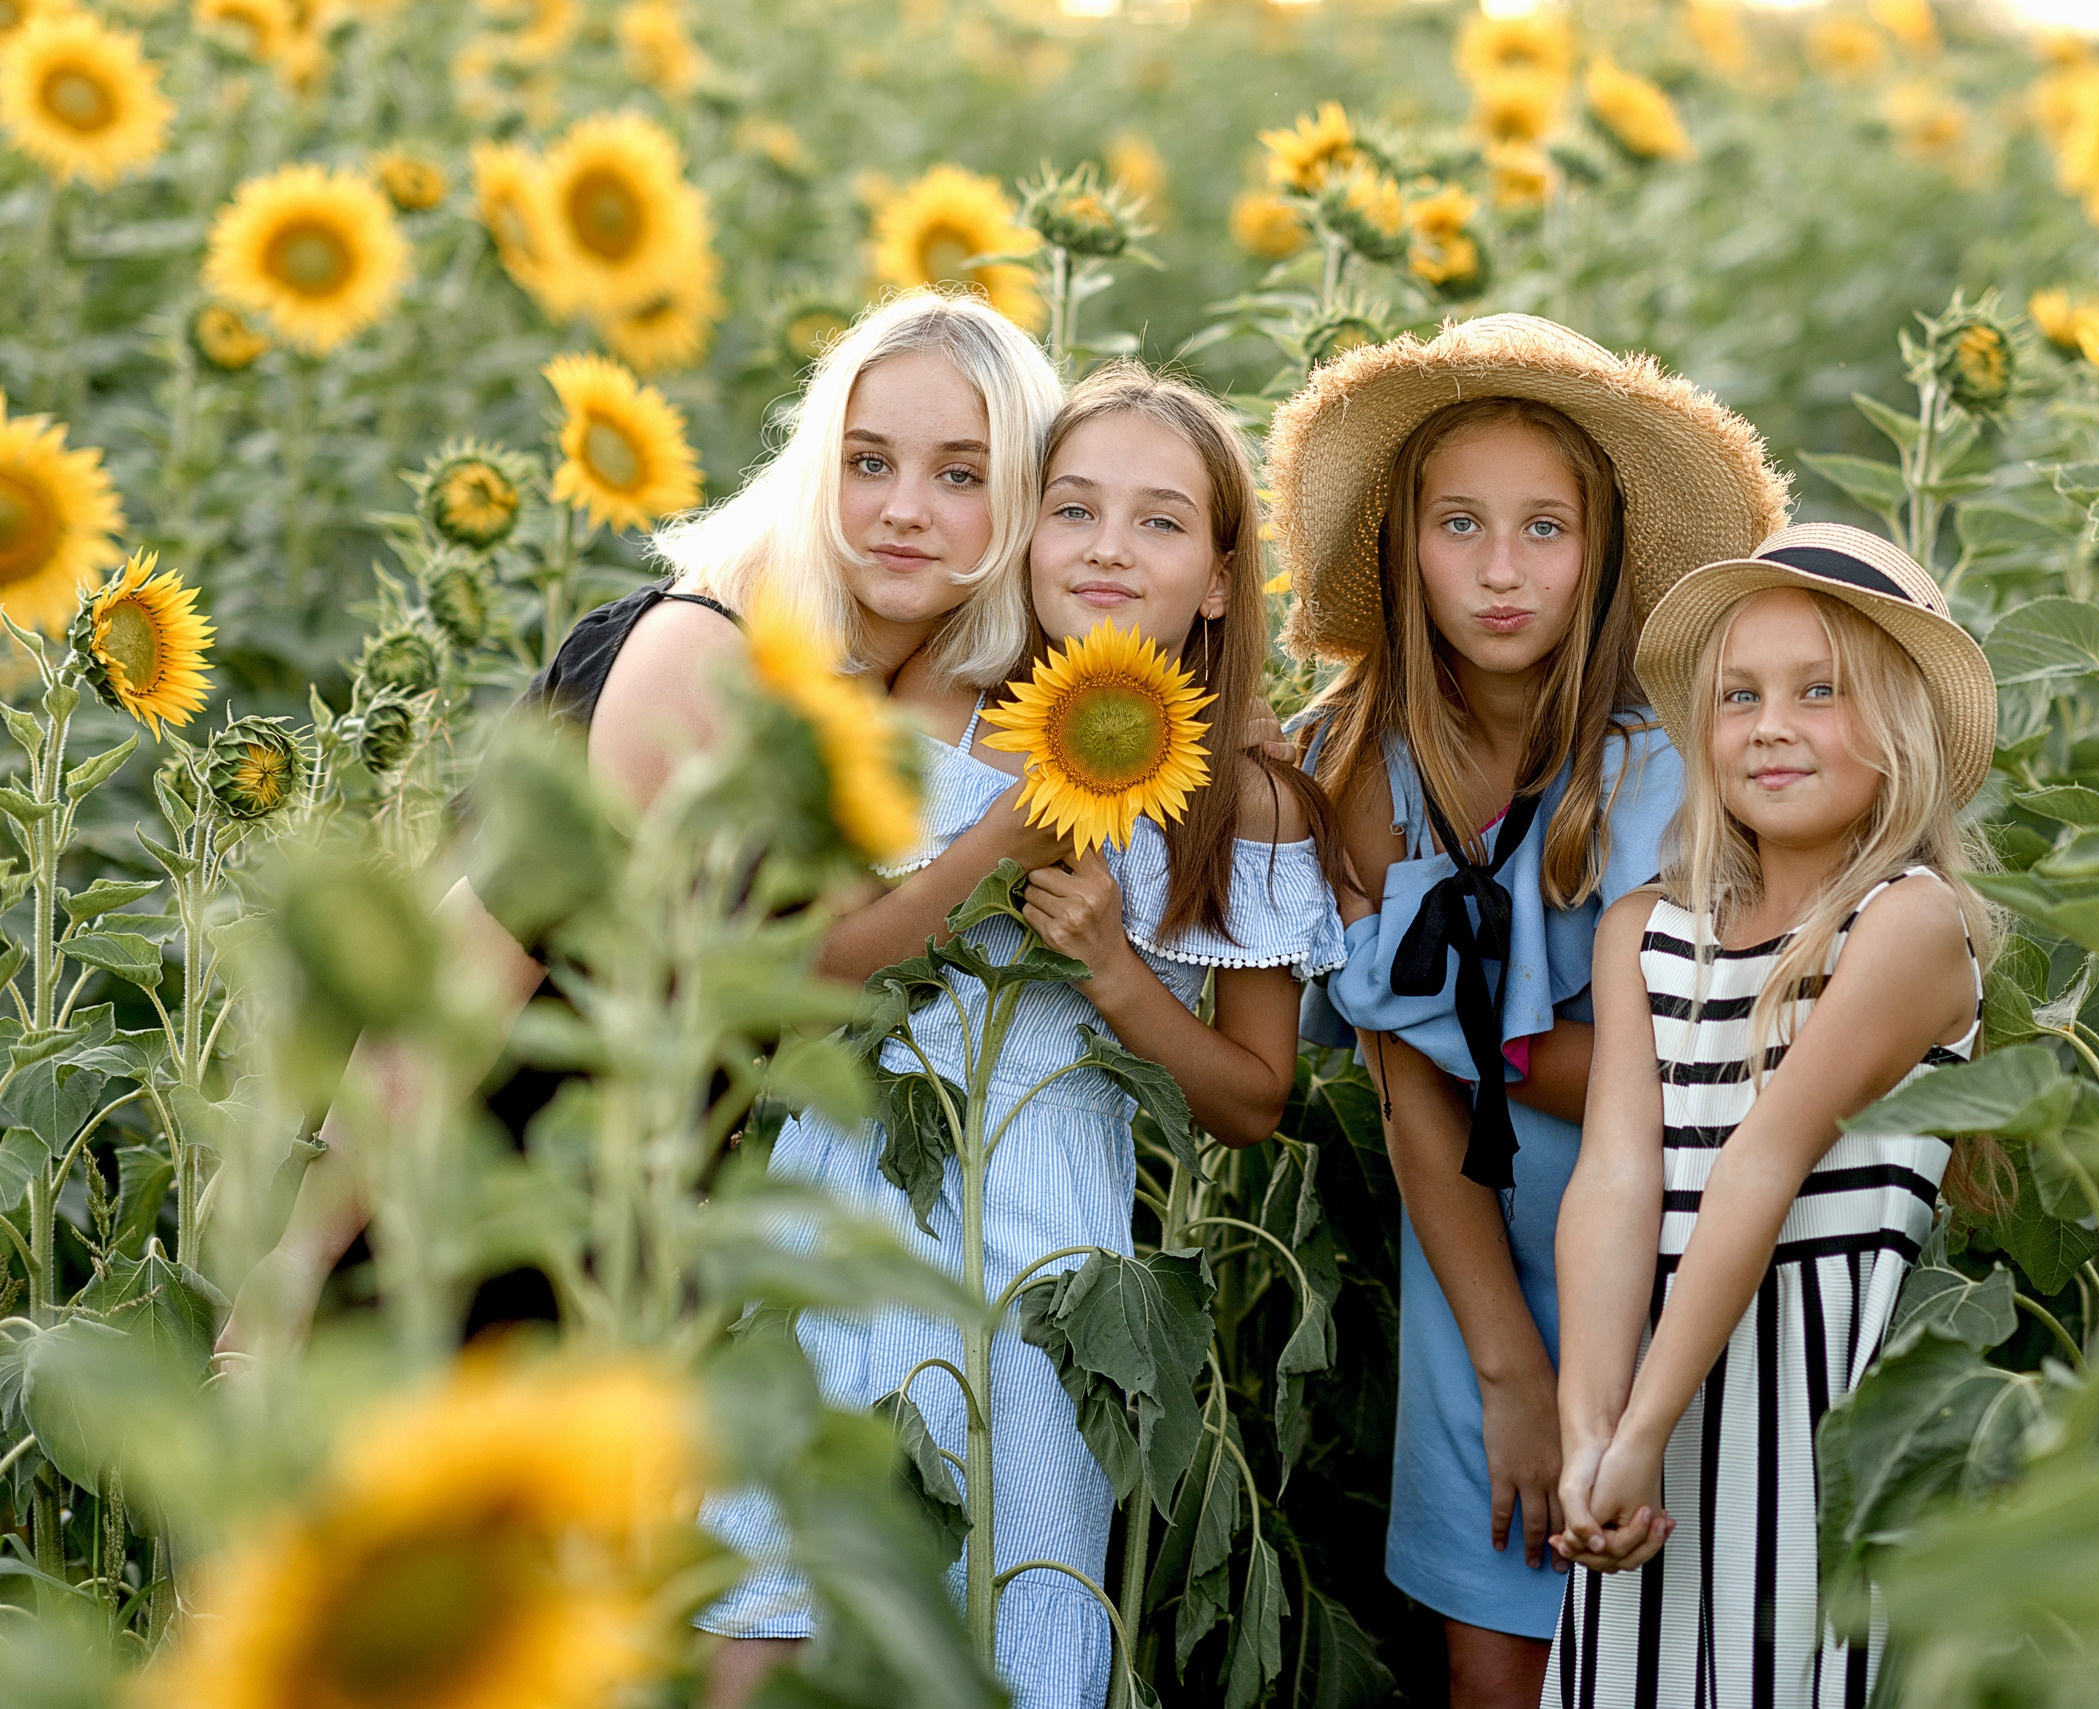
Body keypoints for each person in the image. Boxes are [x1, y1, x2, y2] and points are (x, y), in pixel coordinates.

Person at [214, 287, 1065, 1357]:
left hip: (625, 1258)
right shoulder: (704, 656)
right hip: (468, 1217)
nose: (903, 507)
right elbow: (469, 967)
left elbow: (823, 969)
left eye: (960, 473)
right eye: (866, 461)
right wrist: (294, 1264)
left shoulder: (887, 695)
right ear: (814, 471)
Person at [698, 363, 1347, 1709]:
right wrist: (995, 837)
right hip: (836, 1210)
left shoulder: (1246, 796)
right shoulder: (922, 709)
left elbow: (1252, 1096)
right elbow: (809, 972)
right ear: (1023, 531)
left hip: (1048, 1267)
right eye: (1073, 509)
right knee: (762, 1611)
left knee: (1009, 1610)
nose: (1110, 547)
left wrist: (1117, 974)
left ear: (1222, 580)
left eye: (1161, 523)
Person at [1267, 314, 1788, 1705]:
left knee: (1671, 1639)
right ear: (1402, 544)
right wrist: (1503, 1365)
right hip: (1476, 1275)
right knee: (1496, 1653)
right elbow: (1408, 1095)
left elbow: (1678, 1077)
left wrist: (1472, 1035)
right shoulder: (1357, 767)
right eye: (1460, 523)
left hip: (1679, 1270)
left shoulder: (1664, 767)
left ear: (1605, 553)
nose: (1502, 571)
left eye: (1546, 528)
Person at [1541, 524, 2004, 1709]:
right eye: (1737, 695)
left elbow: (1763, 1162)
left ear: (1900, 731)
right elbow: (1611, 1181)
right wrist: (1590, 1435)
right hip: (1650, 1418)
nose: (1770, 724)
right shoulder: (1643, 930)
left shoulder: (1906, 924)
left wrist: (1643, 1424)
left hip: (1803, 1438)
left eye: (1819, 692)